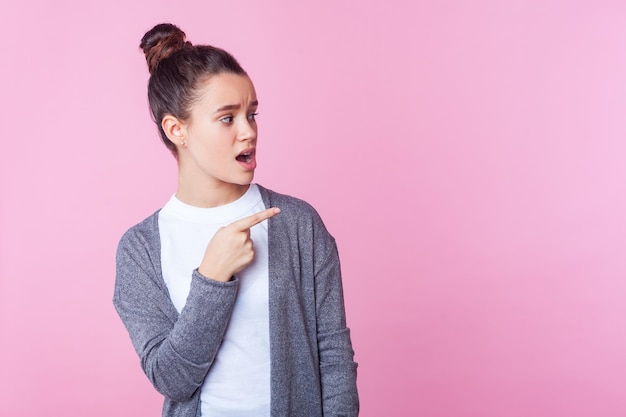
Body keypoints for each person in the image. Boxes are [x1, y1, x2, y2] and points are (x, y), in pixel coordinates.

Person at [113, 23, 359, 417]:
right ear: (177, 129)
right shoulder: (141, 248)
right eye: (227, 118)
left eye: (252, 114)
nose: (249, 131)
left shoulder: (297, 223)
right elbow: (171, 379)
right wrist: (212, 279)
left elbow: (333, 354)